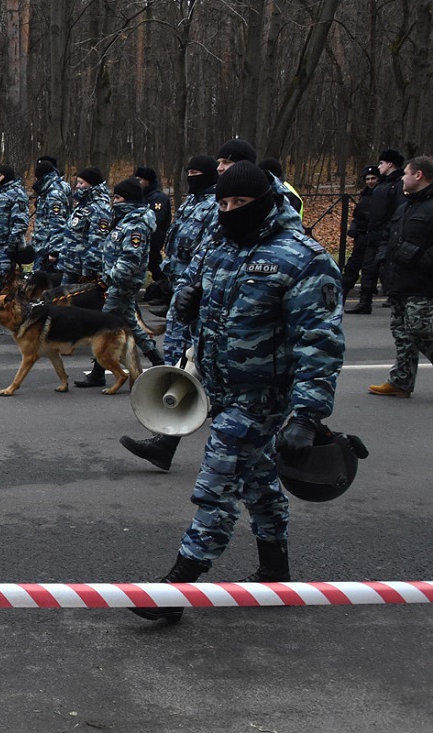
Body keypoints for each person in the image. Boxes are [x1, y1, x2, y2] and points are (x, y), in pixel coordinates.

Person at [131, 161, 344, 623]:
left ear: (265, 200)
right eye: (224, 202)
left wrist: (307, 415)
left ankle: (177, 587)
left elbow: (320, 344)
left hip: (264, 398)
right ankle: (275, 570)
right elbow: (186, 298)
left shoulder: (303, 258)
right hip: (217, 390)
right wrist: (180, 332)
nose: (230, 210)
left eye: (241, 203)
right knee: (258, 482)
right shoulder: (218, 247)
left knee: (217, 483)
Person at [119, 155, 220, 470]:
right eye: (188, 171)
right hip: (186, 292)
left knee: (201, 370)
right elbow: (183, 245)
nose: (192, 177)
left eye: (197, 172)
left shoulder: (218, 207)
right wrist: (167, 276)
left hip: (213, 306)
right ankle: (166, 441)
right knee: (188, 364)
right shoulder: (193, 202)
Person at [74, 178, 160, 388]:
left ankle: (98, 372)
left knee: (104, 324)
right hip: (117, 282)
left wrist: (108, 281)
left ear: (129, 199)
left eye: (118, 198)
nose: (114, 202)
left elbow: (129, 260)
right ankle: (157, 360)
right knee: (129, 322)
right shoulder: (125, 220)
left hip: (122, 284)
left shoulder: (135, 225)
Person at [368, 156, 433, 398]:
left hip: (423, 283)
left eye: (406, 173)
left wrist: (416, 257)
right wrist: (383, 258)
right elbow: (390, 235)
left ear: (418, 175)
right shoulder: (406, 206)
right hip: (399, 281)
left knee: (420, 329)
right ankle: (401, 381)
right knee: (402, 333)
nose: (402, 178)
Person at [346, 148, 407, 314]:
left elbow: (399, 210)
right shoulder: (384, 184)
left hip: (386, 234)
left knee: (386, 271)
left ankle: (399, 305)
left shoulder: (397, 185)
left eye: (381, 163)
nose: (379, 167)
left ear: (389, 164)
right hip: (372, 234)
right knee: (368, 269)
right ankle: (365, 302)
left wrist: (390, 231)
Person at [340, 165, 382, 305]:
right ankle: (342, 295)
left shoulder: (381, 195)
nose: (370, 182)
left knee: (369, 269)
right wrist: (353, 228)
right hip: (361, 236)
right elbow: (357, 215)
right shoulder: (364, 195)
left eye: (373, 178)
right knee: (352, 266)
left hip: (374, 236)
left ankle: (365, 300)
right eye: (368, 179)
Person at [0, 165, 30, 292]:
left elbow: (20, 221)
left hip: (8, 245)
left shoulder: (17, 194)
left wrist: (13, 243)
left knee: (8, 280)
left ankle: (9, 307)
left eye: (0, 175)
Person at [69, 167, 114, 283]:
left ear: (91, 184)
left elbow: (98, 241)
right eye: (77, 182)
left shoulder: (99, 208)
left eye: (81, 183)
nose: (78, 186)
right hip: (72, 265)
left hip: (84, 269)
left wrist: (90, 270)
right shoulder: (83, 204)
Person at [30, 159, 71, 276]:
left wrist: (54, 251)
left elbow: (57, 224)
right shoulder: (46, 192)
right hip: (44, 245)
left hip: (48, 248)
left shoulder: (53, 195)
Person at [134, 166, 172, 283]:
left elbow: (156, 221)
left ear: (147, 181)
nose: (137, 182)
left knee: (154, 264)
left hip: (153, 239)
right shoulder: (140, 196)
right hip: (141, 238)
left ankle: (163, 287)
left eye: (140, 179)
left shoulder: (157, 198)